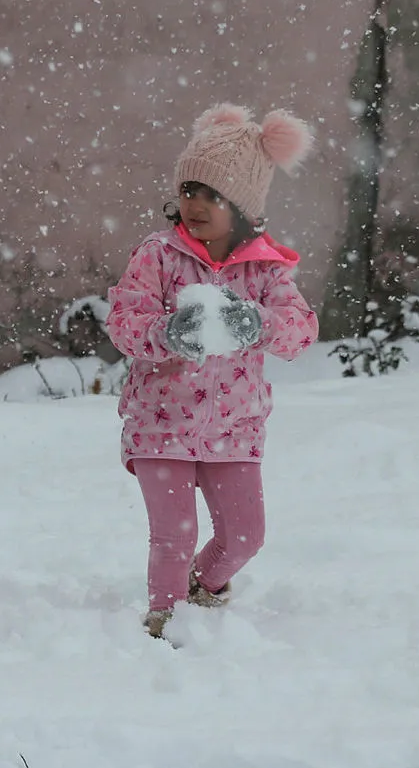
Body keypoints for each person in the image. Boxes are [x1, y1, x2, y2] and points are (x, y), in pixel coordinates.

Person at [105, 104, 319, 640]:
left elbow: (301, 330)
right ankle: (167, 624)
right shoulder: (158, 255)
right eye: (188, 190)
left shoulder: (266, 270)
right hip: (160, 423)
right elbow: (125, 321)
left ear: (242, 206)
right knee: (173, 537)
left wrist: (258, 323)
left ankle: (200, 589)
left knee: (245, 536)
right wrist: (167, 333)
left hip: (234, 426)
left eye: (212, 194)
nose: (195, 204)